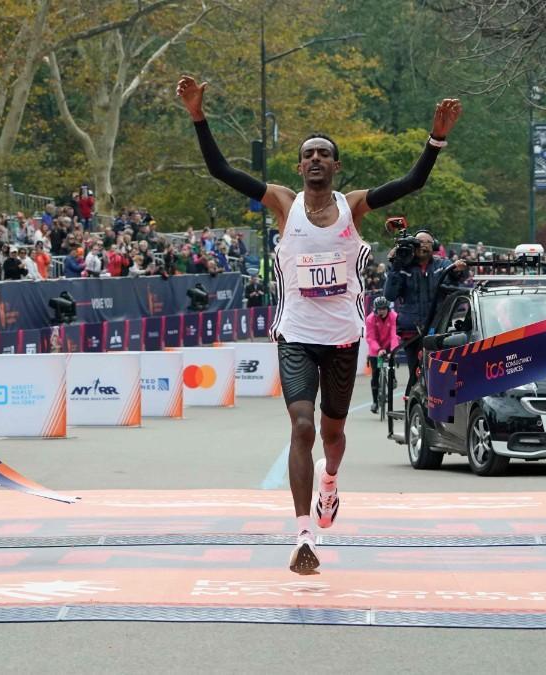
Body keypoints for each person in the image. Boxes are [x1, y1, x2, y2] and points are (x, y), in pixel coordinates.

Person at [178, 74, 461, 574]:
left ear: (335, 166)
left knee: (333, 436)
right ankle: (303, 535)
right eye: (307, 152)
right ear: (298, 164)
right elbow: (221, 170)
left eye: (323, 154)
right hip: (296, 337)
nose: (314, 159)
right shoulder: (283, 204)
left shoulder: (352, 206)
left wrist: (435, 138)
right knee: (302, 427)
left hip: (342, 339)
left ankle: (331, 482)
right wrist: (199, 115)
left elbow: (412, 183)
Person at [384, 227, 467, 396]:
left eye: (428, 242)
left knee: (441, 374)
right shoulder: (402, 267)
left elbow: (457, 278)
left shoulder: (442, 264)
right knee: (415, 375)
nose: (424, 245)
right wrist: (396, 264)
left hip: (438, 331)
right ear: (413, 245)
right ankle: (414, 412)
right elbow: (390, 295)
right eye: (419, 242)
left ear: (434, 245)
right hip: (412, 332)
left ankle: (440, 412)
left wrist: (460, 270)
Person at [364, 297, 399, 413]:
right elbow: (370, 337)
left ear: (387, 308)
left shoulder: (393, 316)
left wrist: (393, 350)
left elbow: (394, 335)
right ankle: (375, 402)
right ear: (375, 309)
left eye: (383, 309)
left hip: (389, 346)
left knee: (390, 366)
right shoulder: (370, 319)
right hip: (376, 349)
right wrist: (378, 349)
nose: (381, 311)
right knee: (376, 373)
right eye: (379, 309)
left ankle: (392, 377)